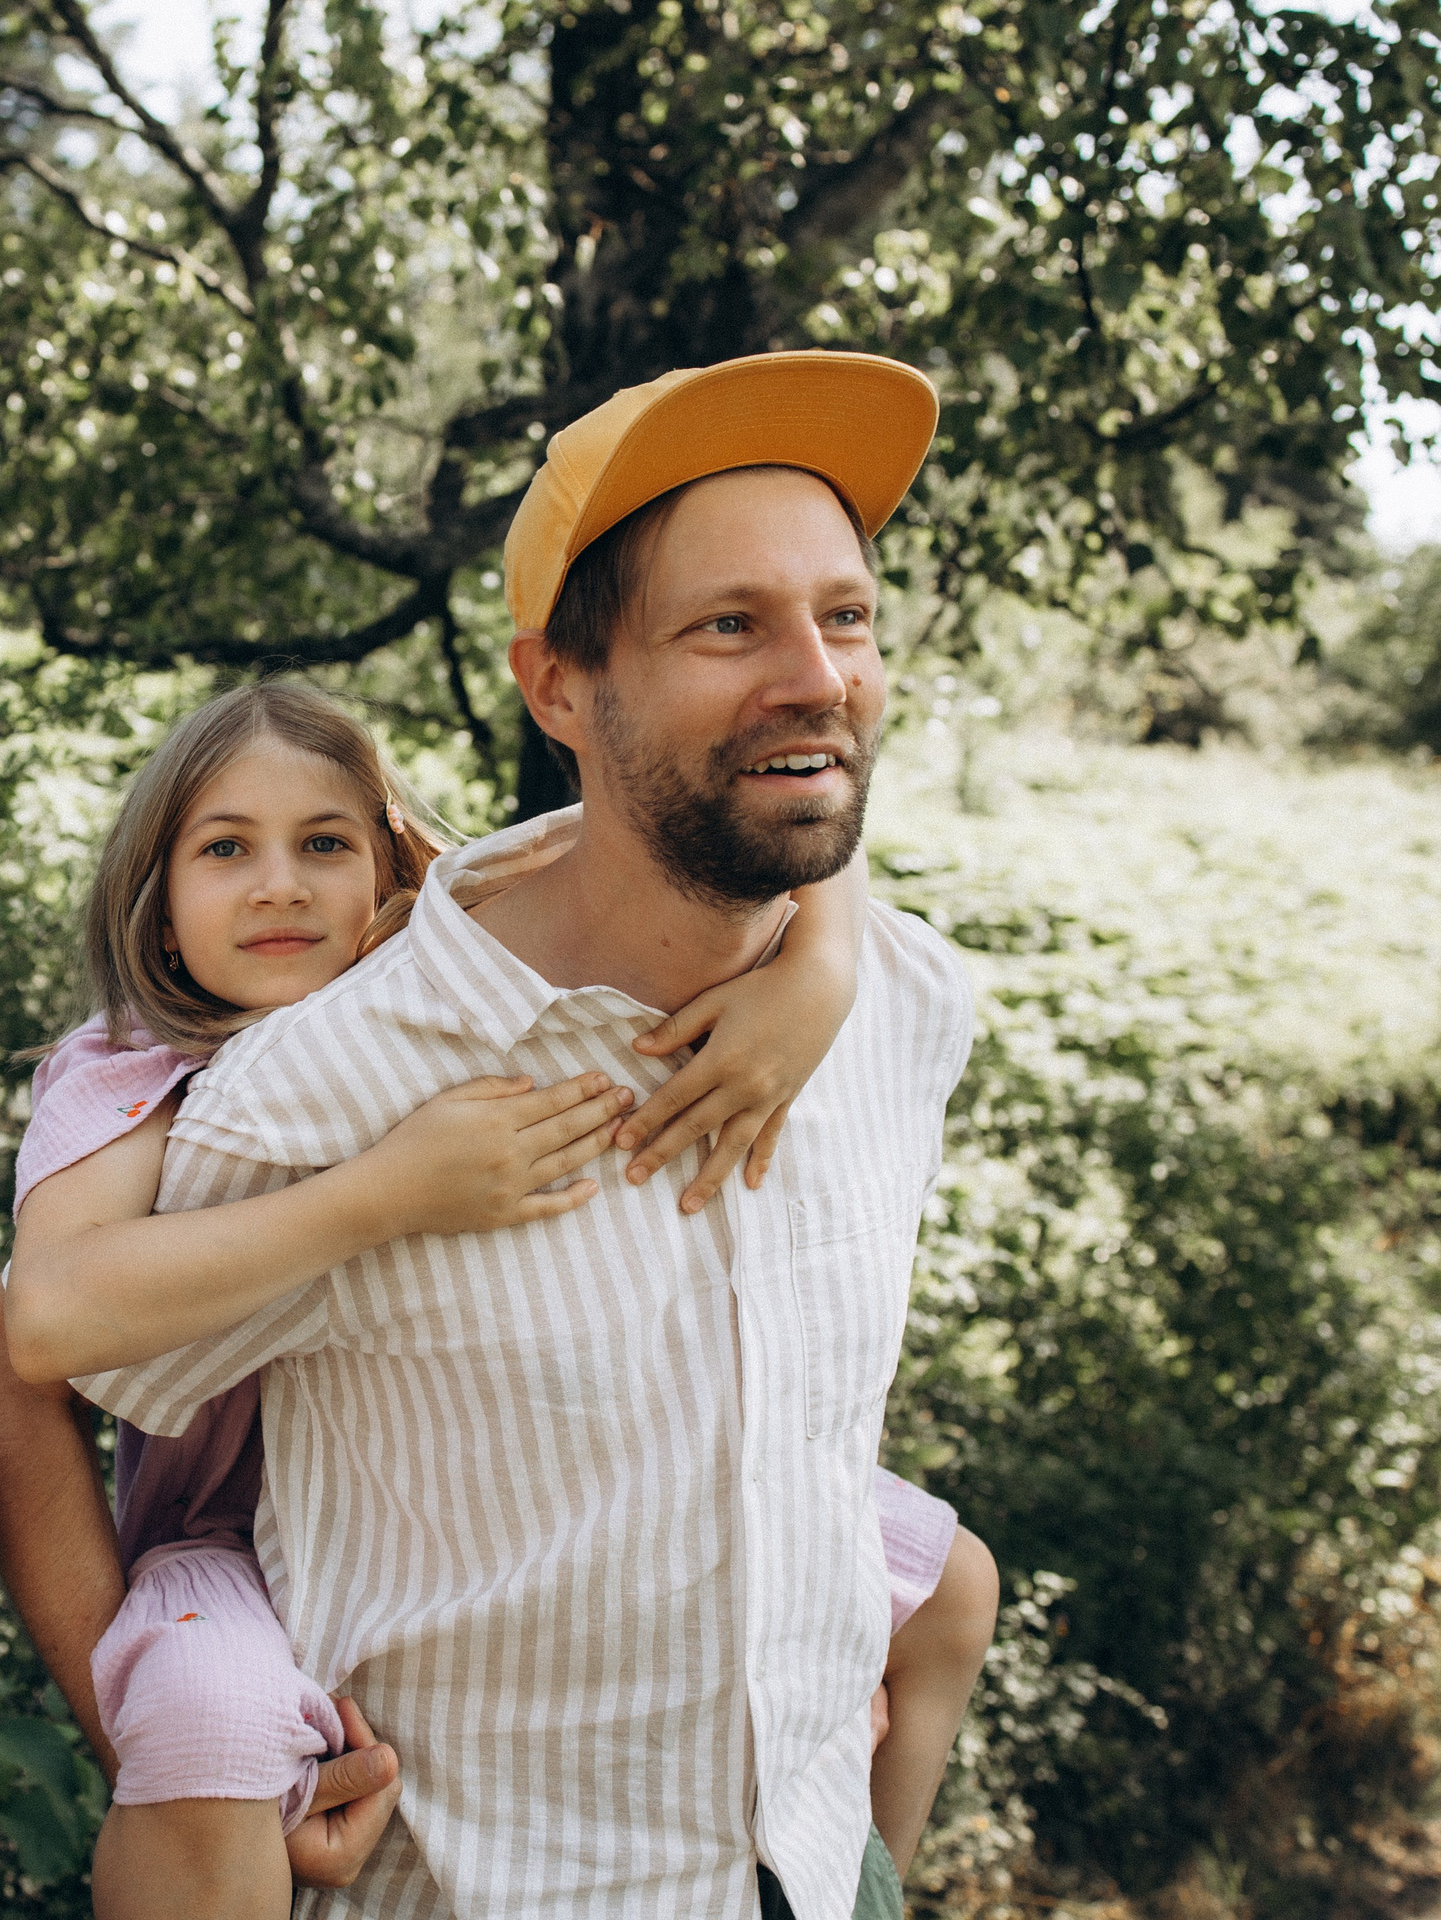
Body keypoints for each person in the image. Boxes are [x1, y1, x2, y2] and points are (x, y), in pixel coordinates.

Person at [67, 350, 982, 1918]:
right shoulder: (331, 1084)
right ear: (558, 684)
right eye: (729, 625)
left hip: (811, 1870)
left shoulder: (900, 1002)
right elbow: (65, 1354)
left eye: (846, 615)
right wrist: (203, 1770)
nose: (818, 676)